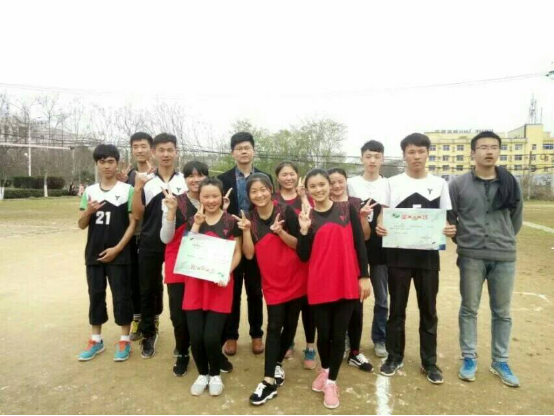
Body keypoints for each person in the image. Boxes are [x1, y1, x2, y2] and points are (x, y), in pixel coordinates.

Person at [376, 133, 456, 384]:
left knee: (428, 310)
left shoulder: (440, 184)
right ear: (404, 155)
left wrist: (449, 228)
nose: (417, 156)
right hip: (398, 256)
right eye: (411, 152)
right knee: (396, 310)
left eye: (421, 151)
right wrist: (380, 225)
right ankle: (394, 356)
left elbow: (446, 217)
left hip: (428, 258)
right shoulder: (392, 183)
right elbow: (383, 214)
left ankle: (429, 362)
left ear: (428, 153)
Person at [448, 131, 523, 387]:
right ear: (473, 153)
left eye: (493, 147)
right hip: (471, 256)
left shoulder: (511, 182)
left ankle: (500, 361)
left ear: (499, 151)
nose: (488, 151)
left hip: (504, 256)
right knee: (469, 308)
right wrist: (464, 240)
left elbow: (516, 218)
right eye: (483, 147)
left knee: (502, 312)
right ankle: (469, 357)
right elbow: (451, 217)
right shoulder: (458, 184)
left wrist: (503, 237)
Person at [297, 169, 371, 410]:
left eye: (322, 184)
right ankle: (325, 369)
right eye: (313, 186)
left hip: (346, 281)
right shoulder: (306, 215)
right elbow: (303, 255)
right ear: (308, 191)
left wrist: (364, 276)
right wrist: (304, 230)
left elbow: (359, 244)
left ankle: (331, 382)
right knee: (324, 334)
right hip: (319, 284)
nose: (318, 189)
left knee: (339, 335)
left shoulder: (347, 209)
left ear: (330, 185)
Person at [233, 173, 307, 405]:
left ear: (270, 189)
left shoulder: (286, 212)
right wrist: (246, 231)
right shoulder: (248, 219)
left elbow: (301, 246)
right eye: (254, 191)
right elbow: (249, 254)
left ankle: (276, 364)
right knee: (274, 325)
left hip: (296, 277)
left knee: (291, 324)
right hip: (272, 282)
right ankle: (268, 381)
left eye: (263, 189)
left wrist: (280, 232)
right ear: (249, 195)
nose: (259, 194)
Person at [183, 178, 242, 397]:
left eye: (215, 196)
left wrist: (226, 272)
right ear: (199, 197)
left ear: (221, 197)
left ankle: (215, 374)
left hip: (220, 285)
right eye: (206, 196)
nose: (210, 200)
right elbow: (188, 249)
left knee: (211, 337)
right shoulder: (193, 220)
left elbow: (237, 253)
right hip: (195, 285)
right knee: (196, 337)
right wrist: (196, 224)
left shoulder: (230, 221)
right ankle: (202, 374)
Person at [77, 144, 136, 362]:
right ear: (97, 164)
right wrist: (88, 211)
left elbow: (133, 224)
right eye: (102, 162)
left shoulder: (127, 190)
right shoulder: (90, 191)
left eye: (111, 161)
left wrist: (118, 248)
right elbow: (81, 224)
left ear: (117, 163)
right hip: (94, 253)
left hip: (119, 254)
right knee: (95, 295)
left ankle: (125, 339)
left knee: (122, 296)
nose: (106, 166)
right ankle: (96, 339)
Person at [131, 133, 187, 359]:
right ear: (154, 152)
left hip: (178, 243)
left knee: (178, 292)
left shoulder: (184, 181)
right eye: (161, 150)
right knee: (147, 289)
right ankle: (149, 333)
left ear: (176, 152)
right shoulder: (145, 181)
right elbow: (137, 214)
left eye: (170, 150)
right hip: (150, 242)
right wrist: (137, 189)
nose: (165, 154)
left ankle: (182, 337)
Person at [217, 132, 272, 356]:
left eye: (247, 147)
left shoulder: (265, 177)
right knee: (232, 290)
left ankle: (256, 334)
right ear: (233, 153)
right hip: (230, 239)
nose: (243, 152)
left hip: (256, 239)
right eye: (239, 148)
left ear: (253, 150)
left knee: (255, 290)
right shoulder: (223, 179)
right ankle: (231, 336)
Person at [159, 160, 209, 377]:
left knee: (203, 311)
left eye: (200, 175)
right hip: (178, 264)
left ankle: (206, 350)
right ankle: (182, 351)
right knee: (179, 315)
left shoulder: (213, 199)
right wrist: (170, 212)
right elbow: (165, 237)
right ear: (185, 179)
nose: (196, 179)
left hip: (204, 265)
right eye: (191, 175)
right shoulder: (174, 201)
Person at [328, 168, 375, 373]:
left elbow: (364, 238)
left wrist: (363, 217)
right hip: (331, 266)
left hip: (353, 265)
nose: (336, 186)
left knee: (356, 310)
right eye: (332, 182)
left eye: (340, 181)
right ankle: (334, 348)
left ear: (346, 181)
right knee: (332, 309)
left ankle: (354, 352)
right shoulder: (321, 205)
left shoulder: (356, 203)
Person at [347, 140, 390, 359]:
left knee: (382, 297)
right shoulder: (351, 184)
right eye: (368, 156)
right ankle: (349, 338)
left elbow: (390, 213)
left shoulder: (388, 184)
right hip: (357, 247)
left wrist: (383, 223)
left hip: (381, 248)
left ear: (383, 159)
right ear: (362, 158)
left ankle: (380, 338)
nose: (372, 161)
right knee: (354, 296)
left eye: (377, 156)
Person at [272, 161, 316, 369]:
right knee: (286, 304)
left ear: (298, 176)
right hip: (282, 261)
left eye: (292, 174)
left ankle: (310, 346)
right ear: (277, 178)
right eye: (284, 174)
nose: (288, 178)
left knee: (308, 305)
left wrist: (304, 196)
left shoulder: (307, 198)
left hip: (306, 258)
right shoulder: (272, 198)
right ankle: (287, 339)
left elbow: (313, 219)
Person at [120, 132, 154, 342]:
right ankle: (137, 318)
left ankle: (152, 319)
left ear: (151, 148)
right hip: (132, 233)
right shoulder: (128, 176)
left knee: (151, 282)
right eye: (135, 147)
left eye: (143, 146)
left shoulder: (158, 174)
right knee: (132, 279)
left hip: (152, 235)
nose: (140, 150)